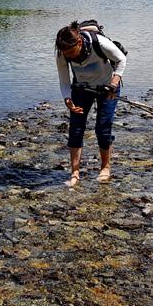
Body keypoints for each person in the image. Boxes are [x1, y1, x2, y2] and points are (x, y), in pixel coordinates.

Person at [55, 21, 126, 187]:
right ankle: (75, 173)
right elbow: (64, 80)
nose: (69, 56)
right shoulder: (62, 53)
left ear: (79, 42)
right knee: (76, 128)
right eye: (65, 53)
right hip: (81, 89)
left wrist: (114, 83)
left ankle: (105, 168)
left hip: (107, 88)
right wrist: (68, 100)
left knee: (103, 127)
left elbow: (121, 60)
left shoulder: (99, 43)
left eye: (71, 52)